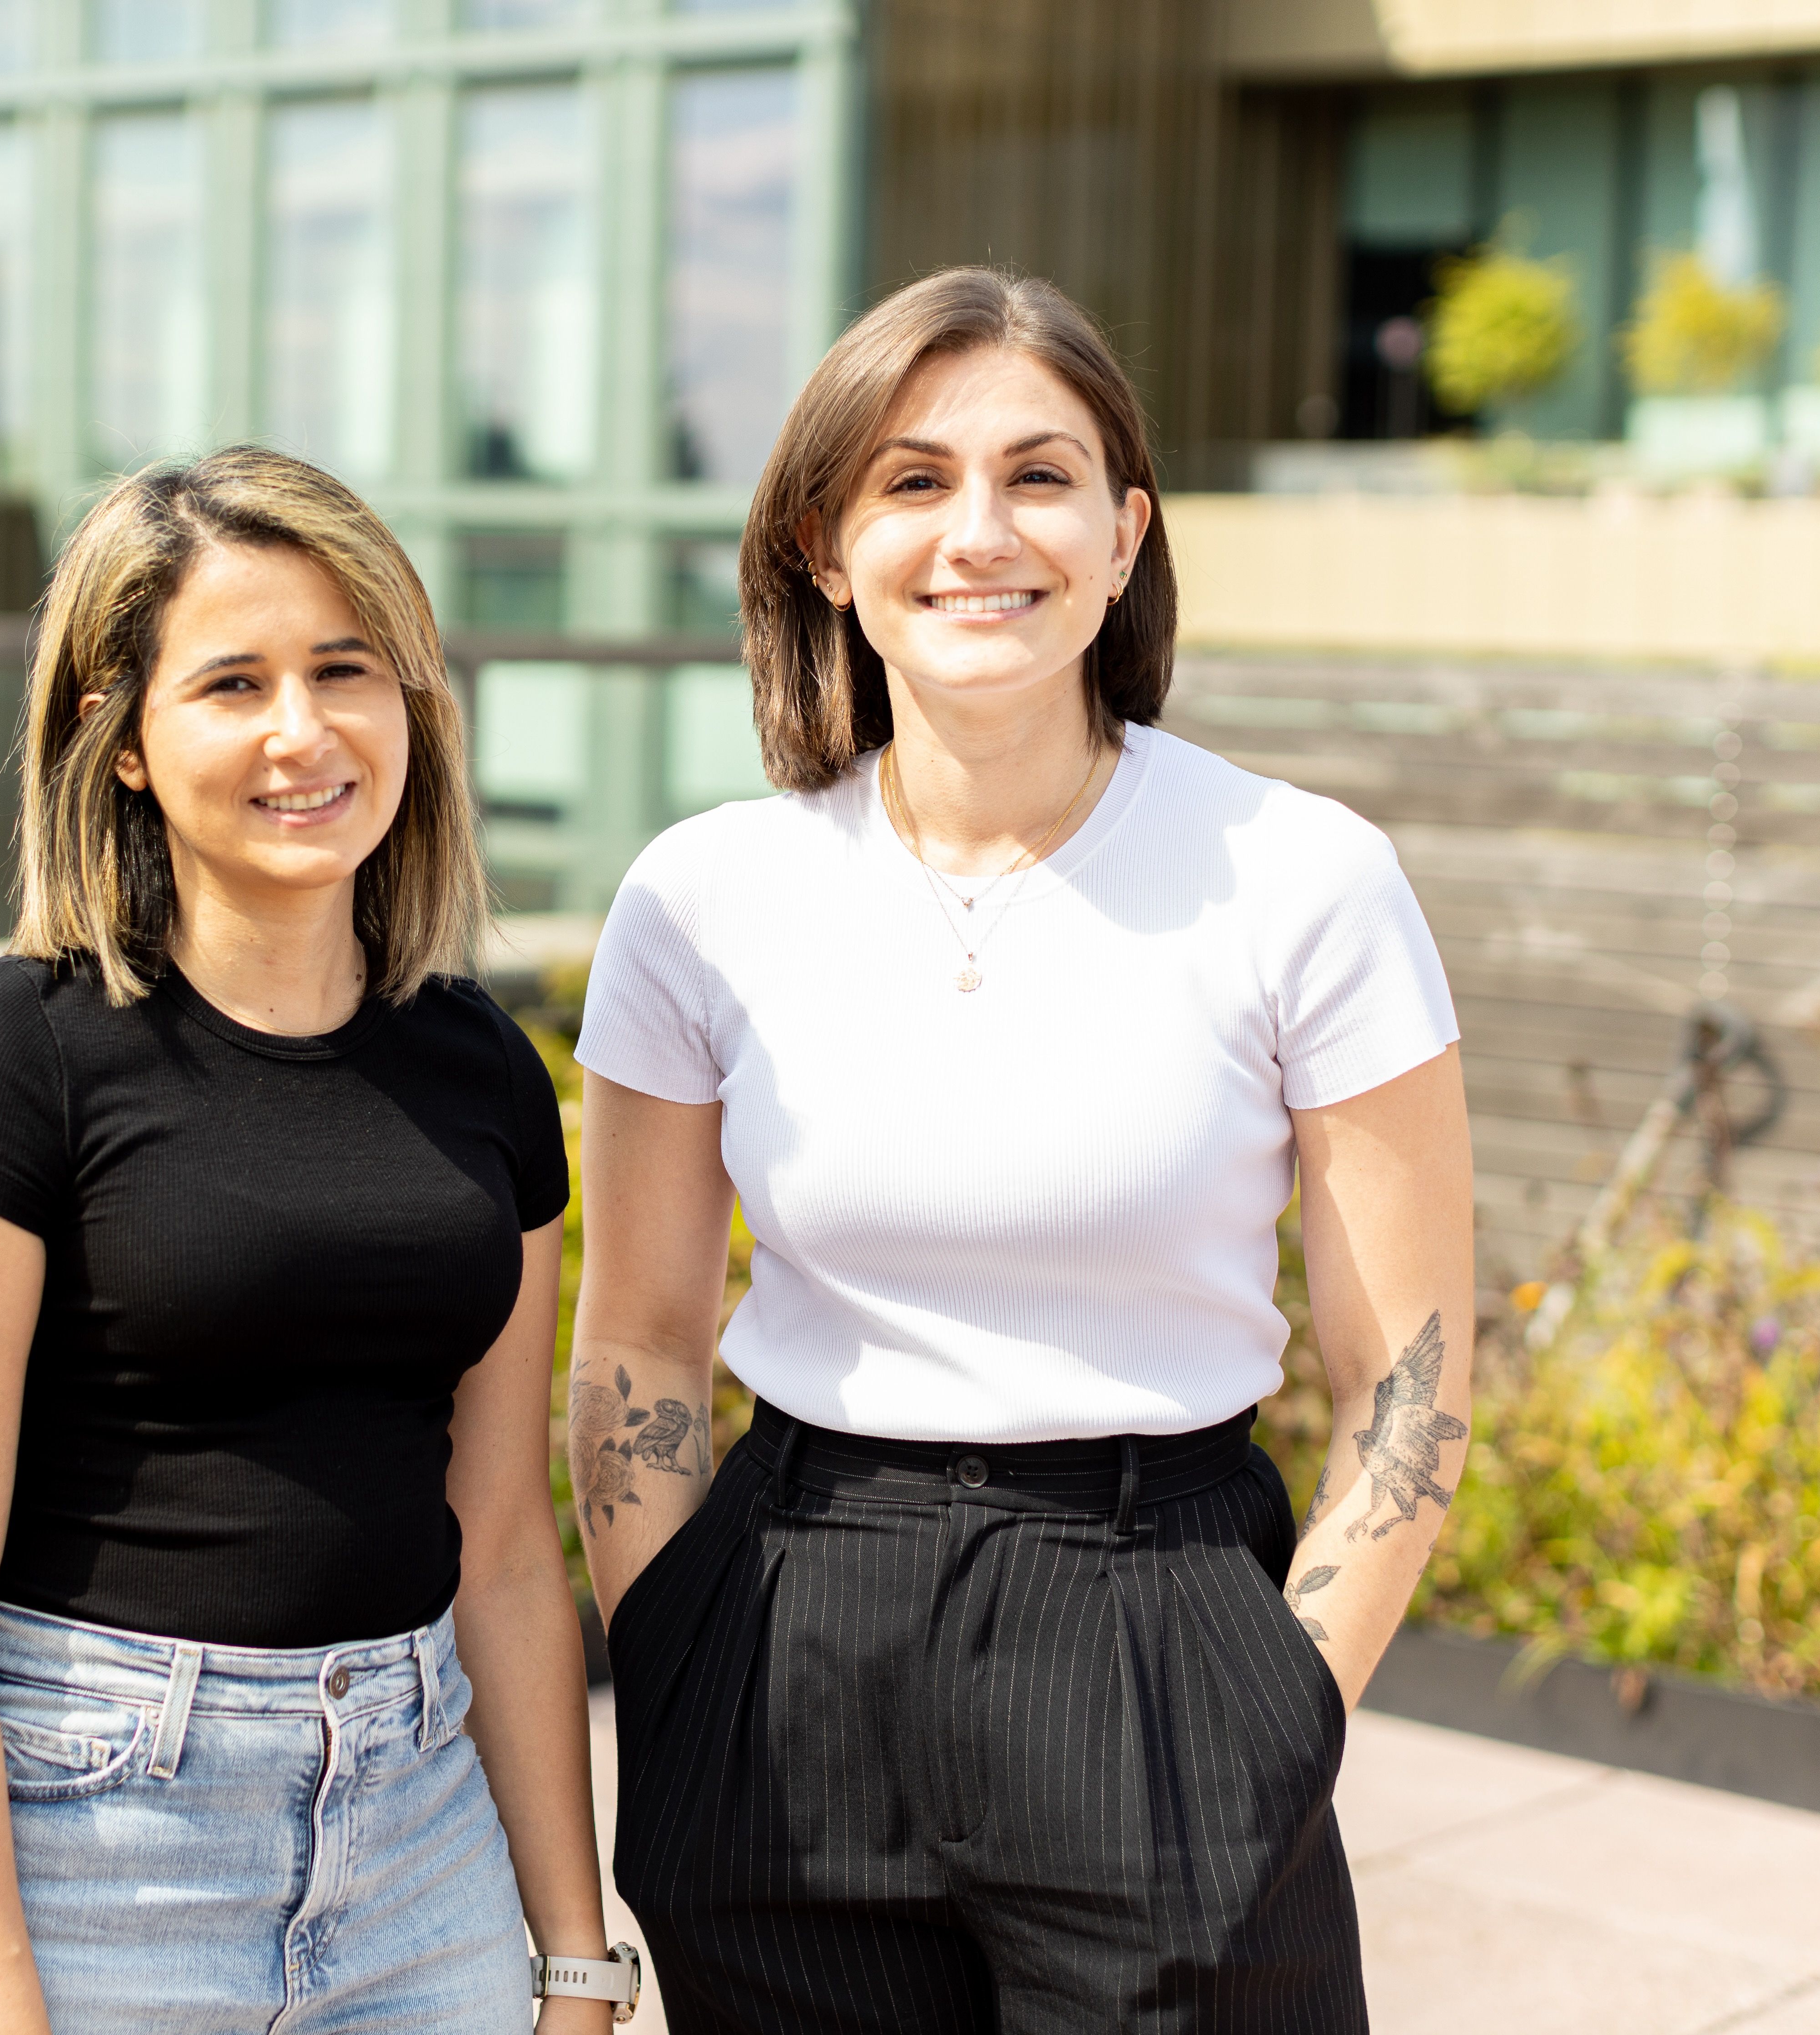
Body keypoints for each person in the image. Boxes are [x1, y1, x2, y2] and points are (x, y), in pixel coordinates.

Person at [569, 269, 1473, 2033]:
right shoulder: (702, 896)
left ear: (1126, 535)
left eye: (1039, 476)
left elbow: (1410, 1369)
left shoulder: (1302, 876)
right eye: (912, 482)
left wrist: (1286, 1701)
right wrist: (672, 1650)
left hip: (1162, 1622)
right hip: (782, 1633)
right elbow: (641, 1339)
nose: (979, 531)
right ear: (825, 546)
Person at [0, 448, 635, 2035]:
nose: (303, 731)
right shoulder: (17, 1057)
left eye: (348, 671)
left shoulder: (477, 1063)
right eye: (232, 685)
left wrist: (575, 1954)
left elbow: (506, 1541)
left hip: (420, 1850)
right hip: (91, 1846)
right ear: (120, 743)